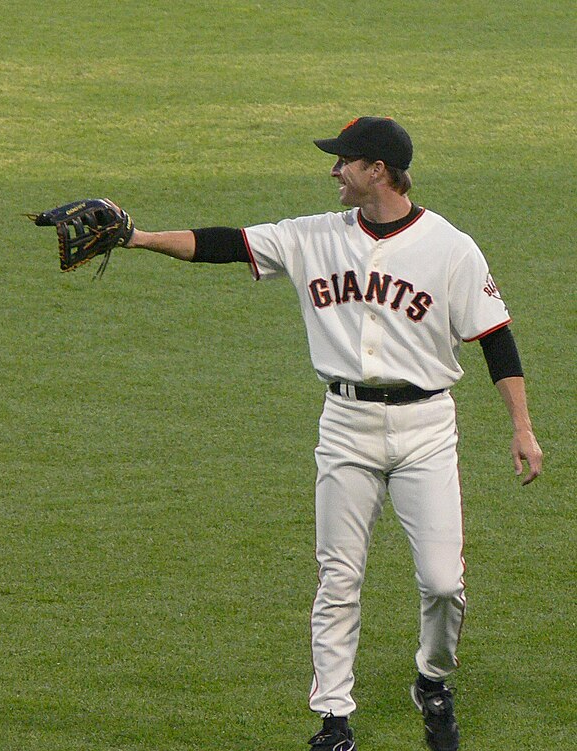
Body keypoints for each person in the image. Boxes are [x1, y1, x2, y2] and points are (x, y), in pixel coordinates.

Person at [114, 116, 543, 751]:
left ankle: (433, 677)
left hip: (427, 427)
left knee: (442, 583)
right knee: (338, 576)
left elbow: (495, 339)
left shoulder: (451, 247)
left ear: (379, 171)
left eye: (344, 161)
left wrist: (521, 428)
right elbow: (224, 243)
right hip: (345, 424)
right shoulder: (313, 235)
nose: (333, 171)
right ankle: (334, 719)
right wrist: (139, 237)